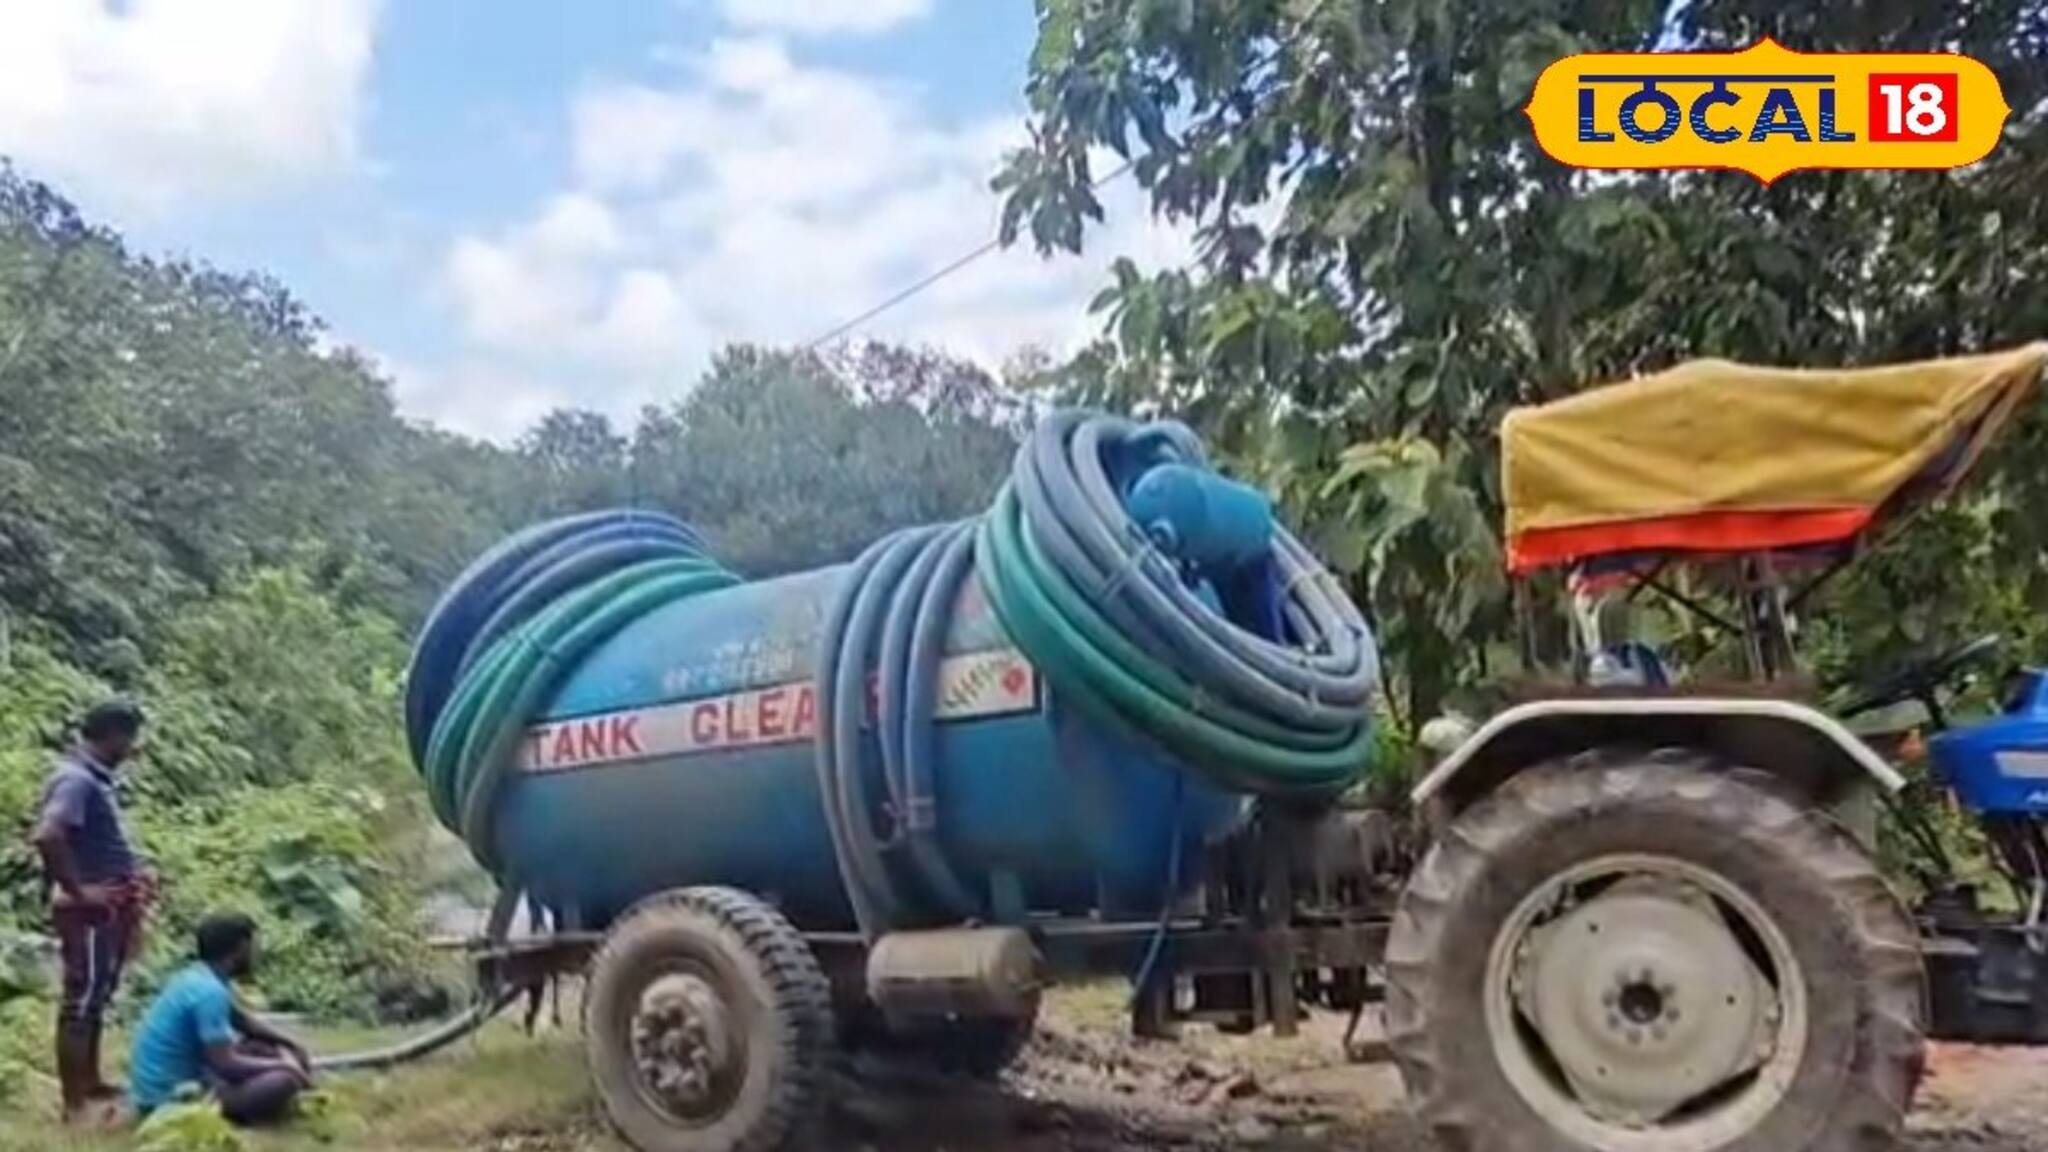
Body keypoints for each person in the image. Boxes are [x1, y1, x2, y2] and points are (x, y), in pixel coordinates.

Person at [32, 697, 152, 1120]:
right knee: (81, 1000)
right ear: (115, 736)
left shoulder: (93, 779)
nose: (133, 749)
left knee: (96, 995)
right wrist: (79, 890)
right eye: (131, 739)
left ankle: (91, 1081)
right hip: (89, 912)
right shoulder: (76, 780)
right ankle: (74, 1103)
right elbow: (49, 835)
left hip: (108, 909)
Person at [129, 914, 314, 1126]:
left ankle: (252, 1091)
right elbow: (226, 1064)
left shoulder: (198, 976)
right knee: (284, 1081)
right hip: (172, 1097)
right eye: (253, 947)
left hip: (176, 1080)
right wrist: (286, 1066)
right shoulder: (209, 992)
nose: (256, 954)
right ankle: (237, 1110)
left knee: (265, 1048)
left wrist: (288, 1043)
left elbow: (243, 1022)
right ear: (240, 949)